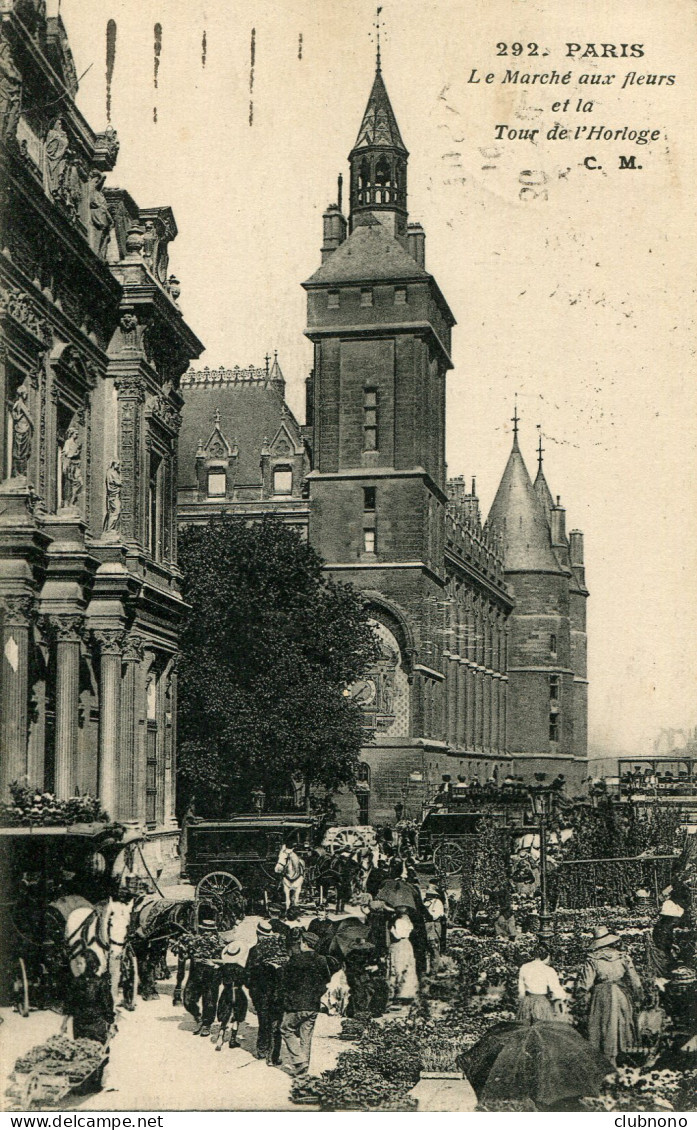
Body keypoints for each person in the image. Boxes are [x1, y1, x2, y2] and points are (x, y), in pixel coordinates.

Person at [576, 925, 643, 1067]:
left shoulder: (593, 960)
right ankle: (625, 1057)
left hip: (602, 995)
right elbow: (635, 981)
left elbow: (585, 984)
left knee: (604, 1025)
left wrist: (580, 996)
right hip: (621, 993)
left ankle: (606, 1058)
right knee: (623, 1023)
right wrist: (638, 996)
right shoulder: (623, 957)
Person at [279, 931, 333, 1083]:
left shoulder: (295, 960)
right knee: (306, 1036)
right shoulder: (322, 959)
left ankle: (299, 1061)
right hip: (313, 1004)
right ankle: (303, 1071)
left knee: (285, 1029)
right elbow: (326, 980)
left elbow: (285, 982)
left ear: (304, 943)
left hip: (296, 1004)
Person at [245, 921, 288, 1064]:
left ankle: (262, 1050)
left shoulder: (255, 950)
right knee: (277, 1023)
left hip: (261, 994)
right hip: (280, 993)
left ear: (258, 934)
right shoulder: (282, 951)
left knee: (264, 1022)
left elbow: (248, 975)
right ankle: (274, 1056)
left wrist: (252, 989)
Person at [517, 944, 567, 1022]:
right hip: (541, 1002)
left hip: (527, 1001)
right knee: (542, 1026)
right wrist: (563, 997)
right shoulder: (549, 970)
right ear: (547, 956)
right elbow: (556, 990)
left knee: (526, 1026)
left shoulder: (524, 967)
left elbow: (521, 991)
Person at [215, 941, 248, 1051]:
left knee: (225, 1014)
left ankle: (220, 1037)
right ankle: (232, 1040)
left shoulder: (223, 968)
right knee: (236, 1017)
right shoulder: (241, 969)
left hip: (226, 992)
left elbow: (217, 980)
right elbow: (247, 982)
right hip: (238, 992)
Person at [386, 906, 419, 1002]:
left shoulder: (399, 921)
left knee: (398, 967)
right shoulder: (408, 920)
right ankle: (407, 992)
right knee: (407, 967)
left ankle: (399, 992)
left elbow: (398, 936)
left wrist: (391, 930)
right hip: (407, 944)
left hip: (400, 945)